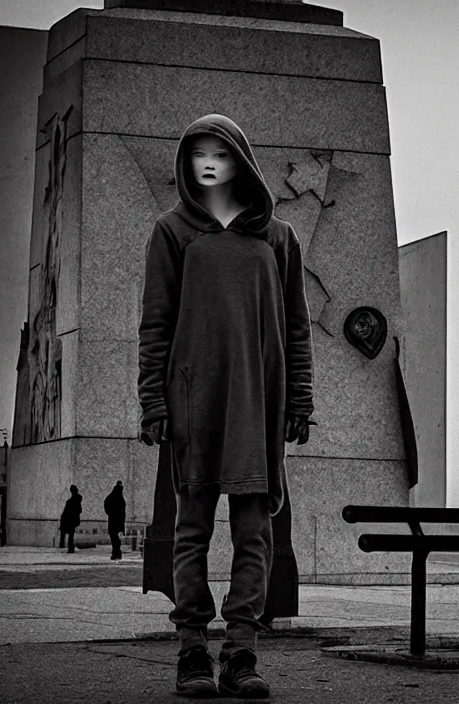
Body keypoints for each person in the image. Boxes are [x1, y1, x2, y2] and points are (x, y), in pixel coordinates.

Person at [137, 114, 314, 699]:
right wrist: (153, 401)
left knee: (253, 533)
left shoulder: (278, 236)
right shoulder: (171, 231)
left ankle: (241, 650)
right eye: (197, 153)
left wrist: (301, 399)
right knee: (191, 531)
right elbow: (155, 326)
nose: (208, 162)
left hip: (257, 406)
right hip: (193, 404)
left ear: (241, 158)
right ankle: (192, 649)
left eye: (220, 151)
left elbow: (296, 327)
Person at [104, 480, 126, 560]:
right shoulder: (121, 499)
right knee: (117, 539)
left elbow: (106, 504)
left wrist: (110, 513)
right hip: (119, 521)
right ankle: (117, 553)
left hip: (112, 520)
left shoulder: (111, 497)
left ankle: (115, 553)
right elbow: (123, 512)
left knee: (113, 538)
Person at [58, 484, 82, 553]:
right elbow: (79, 511)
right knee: (70, 535)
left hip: (68, 520)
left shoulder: (70, 501)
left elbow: (66, 512)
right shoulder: (77, 501)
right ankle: (70, 548)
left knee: (66, 534)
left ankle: (65, 547)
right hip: (72, 520)